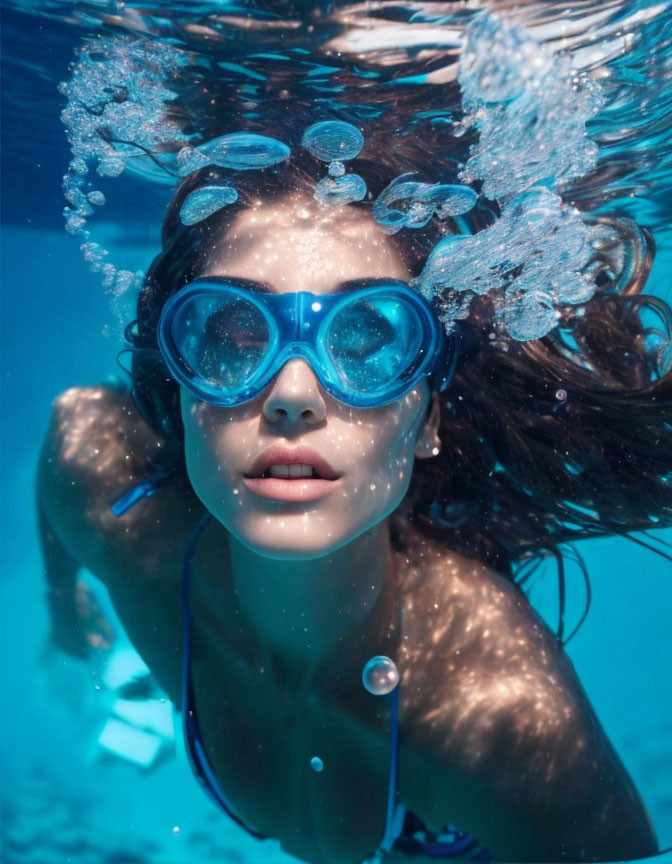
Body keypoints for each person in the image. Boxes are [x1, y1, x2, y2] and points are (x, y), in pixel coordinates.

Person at [36, 126, 670, 864]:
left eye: (367, 339)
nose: (293, 395)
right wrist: (63, 618)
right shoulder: (105, 492)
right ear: (178, 389)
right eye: (236, 335)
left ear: (427, 415)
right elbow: (67, 454)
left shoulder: (505, 721)